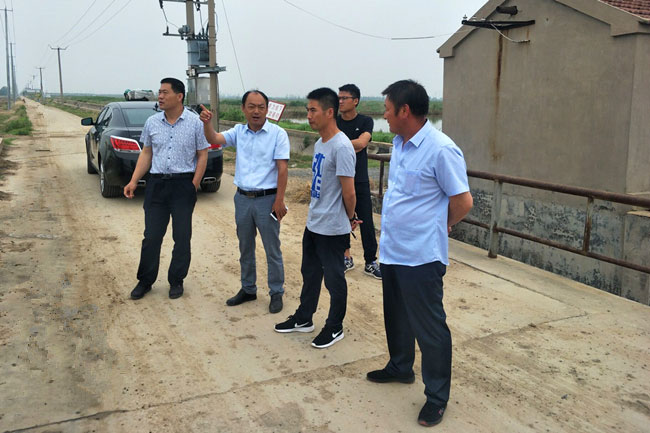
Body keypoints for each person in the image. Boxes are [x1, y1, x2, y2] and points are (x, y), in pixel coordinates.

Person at [366, 80, 473, 427]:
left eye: (387, 109)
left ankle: (437, 397)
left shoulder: (441, 149)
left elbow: (463, 201)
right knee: (396, 316)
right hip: (394, 250)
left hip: (422, 257)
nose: (384, 115)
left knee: (430, 329)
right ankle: (400, 366)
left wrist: (441, 225)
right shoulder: (400, 143)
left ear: (404, 111)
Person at [274, 87, 357, 349]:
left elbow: (349, 192)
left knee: (334, 279)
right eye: (307, 110)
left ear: (329, 112)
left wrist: (350, 218)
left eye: (313, 110)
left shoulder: (342, 147)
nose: (308, 115)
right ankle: (304, 317)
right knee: (309, 273)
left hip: (332, 228)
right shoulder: (321, 143)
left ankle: (335, 326)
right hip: (314, 223)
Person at [198, 90, 289, 314]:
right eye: (251, 106)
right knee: (245, 247)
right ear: (243, 109)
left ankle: (276, 292)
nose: (256, 111)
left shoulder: (278, 134)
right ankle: (248, 289)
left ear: (267, 109)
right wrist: (207, 124)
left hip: (267, 200)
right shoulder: (239, 132)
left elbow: (282, 169)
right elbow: (213, 139)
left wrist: (279, 200)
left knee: (272, 249)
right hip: (242, 199)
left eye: (261, 107)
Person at [125, 77, 209, 300]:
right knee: (151, 236)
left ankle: (176, 280)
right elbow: (147, 153)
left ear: (179, 96)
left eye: (165, 92)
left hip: (183, 185)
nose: (160, 96)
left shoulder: (195, 123)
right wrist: (134, 180)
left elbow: (202, 155)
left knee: (181, 237)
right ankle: (145, 281)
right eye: (159, 92)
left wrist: (193, 185)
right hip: (157, 185)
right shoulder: (152, 122)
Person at [336, 84, 381, 279]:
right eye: (338, 98)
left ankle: (370, 261)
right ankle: (346, 256)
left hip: (359, 179)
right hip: (339, 178)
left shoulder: (365, 121)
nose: (340, 101)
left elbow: (362, 143)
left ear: (355, 101)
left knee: (366, 222)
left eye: (344, 98)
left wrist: (338, 143)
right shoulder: (335, 121)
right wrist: (349, 145)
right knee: (341, 218)